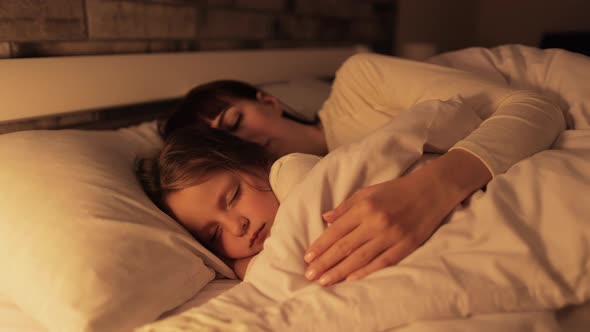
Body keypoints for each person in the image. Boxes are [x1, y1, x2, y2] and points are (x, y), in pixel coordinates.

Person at [157, 52, 566, 286]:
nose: (239, 141)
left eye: (234, 123)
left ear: (269, 102)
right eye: (224, 144)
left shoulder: (357, 84)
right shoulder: (287, 201)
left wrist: (431, 190)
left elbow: (534, 108)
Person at [136, 125, 318, 280]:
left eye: (233, 197)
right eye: (215, 234)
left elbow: (299, 259)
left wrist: (241, 267)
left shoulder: (291, 170)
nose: (237, 227)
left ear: (257, 163)